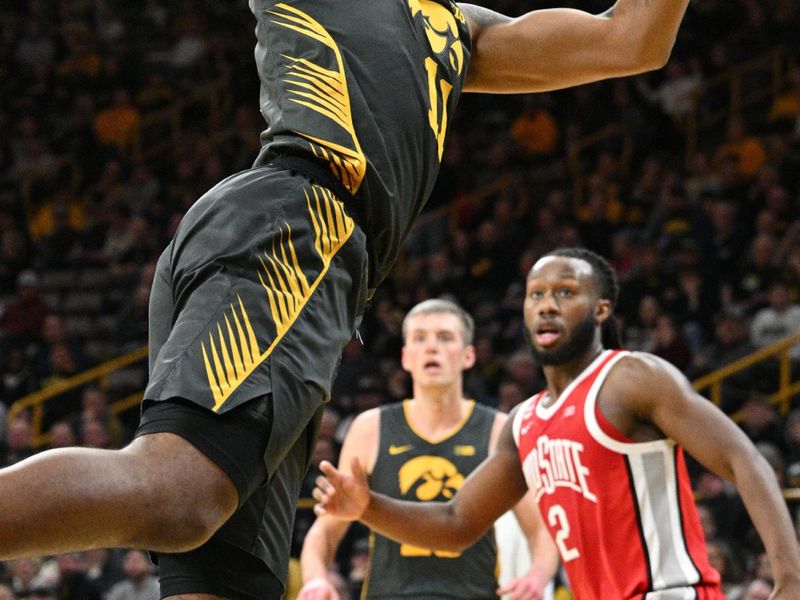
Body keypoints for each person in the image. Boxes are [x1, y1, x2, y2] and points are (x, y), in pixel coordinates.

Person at [0, 0, 691, 597]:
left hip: (310, 253)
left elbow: (632, 38)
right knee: (181, 495)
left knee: (221, 583)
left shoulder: (458, 28)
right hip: (296, 221)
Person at [312, 248, 800, 599]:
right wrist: (368, 506)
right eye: (536, 294)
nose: (546, 304)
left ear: (600, 310)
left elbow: (743, 458)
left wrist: (790, 582)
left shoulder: (633, 378)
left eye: (566, 293)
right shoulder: (523, 422)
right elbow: (456, 522)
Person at [297, 299, 557, 600]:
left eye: (445, 338)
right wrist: (316, 579)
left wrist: (538, 577)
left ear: (469, 355)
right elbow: (328, 528)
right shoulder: (370, 428)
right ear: (406, 357)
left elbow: (540, 528)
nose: (431, 348)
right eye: (420, 338)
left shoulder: (499, 428)